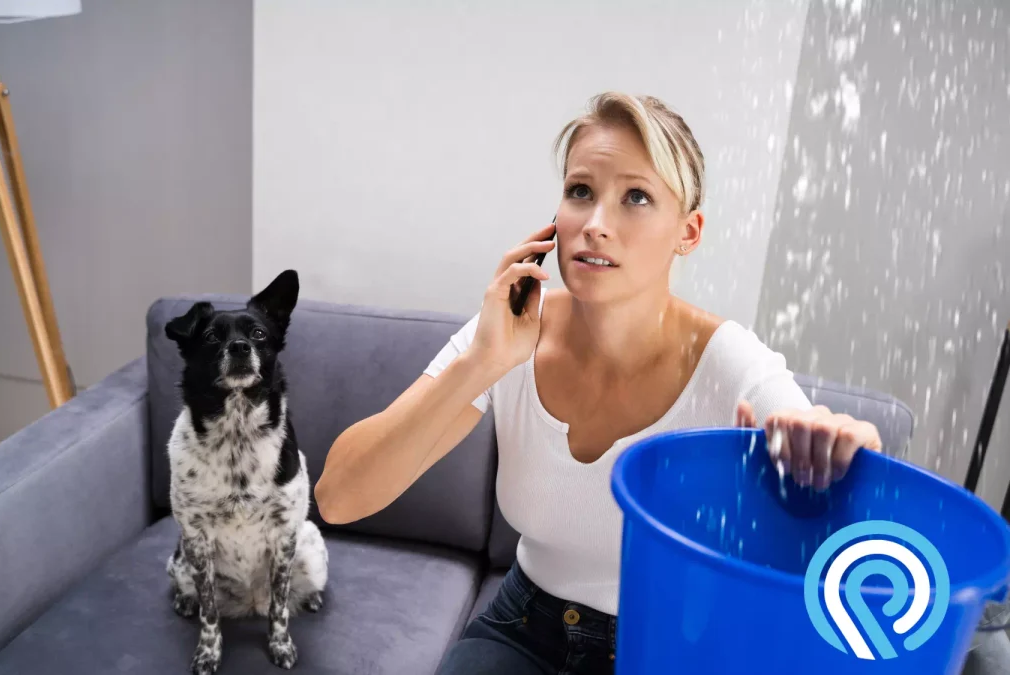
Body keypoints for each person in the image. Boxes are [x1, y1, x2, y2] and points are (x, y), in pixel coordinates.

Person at [313, 91, 884, 674]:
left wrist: (840, 446)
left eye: (636, 197)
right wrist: (481, 364)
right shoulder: (509, 333)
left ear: (687, 232)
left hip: (664, 647)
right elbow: (339, 498)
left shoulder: (729, 363)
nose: (595, 224)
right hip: (522, 625)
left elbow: (832, 472)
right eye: (580, 192)